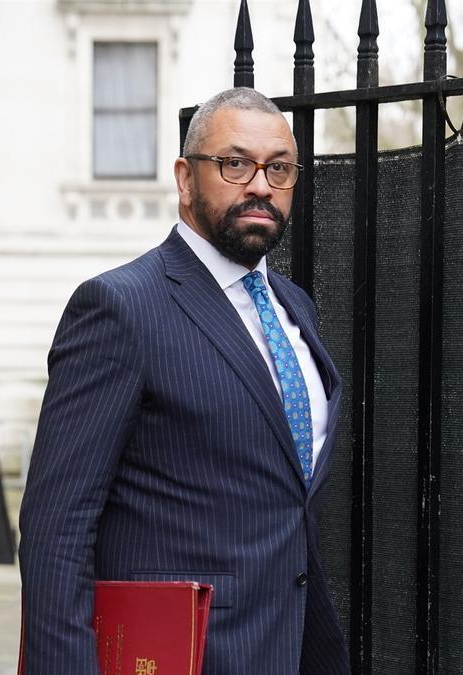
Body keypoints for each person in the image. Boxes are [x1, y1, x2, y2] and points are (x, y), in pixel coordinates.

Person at [18, 87, 350, 675]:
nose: (259, 185)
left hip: (293, 647)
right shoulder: (120, 308)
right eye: (235, 163)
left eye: (279, 168)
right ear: (184, 177)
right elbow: (55, 533)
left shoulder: (295, 305)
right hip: (181, 655)